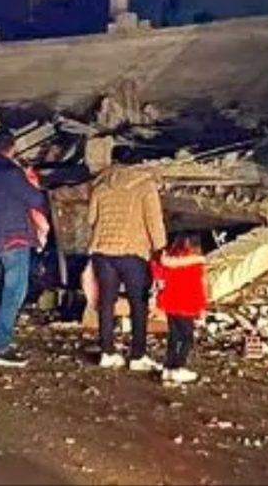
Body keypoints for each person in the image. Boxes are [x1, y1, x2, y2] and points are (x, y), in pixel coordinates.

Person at [88, 148, 167, 372]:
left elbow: (91, 218)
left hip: (103, 252)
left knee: (106, 302)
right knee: (138, 304)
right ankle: (137, 355)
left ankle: (107, 352)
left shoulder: (100, 185)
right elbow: (154, 222)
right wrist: (160, 250)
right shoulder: (145, 186)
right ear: (138, 163)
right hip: (133, 252)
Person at [0, 130, 47, 368]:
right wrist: (30, 181)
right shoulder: (10, 172)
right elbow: (35, 199)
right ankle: (0, 348)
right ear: (13, 147)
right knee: (15, 292)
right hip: (15, 237)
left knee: (4, 290)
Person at [152, 235, 208, 385]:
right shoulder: (197, 262)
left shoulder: (170, 258)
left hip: (170, 303)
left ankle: (168, 367)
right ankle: (178, 367)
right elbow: (200, 287)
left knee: (174, 336)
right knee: (187, 338)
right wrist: (202, 308)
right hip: (186, 305)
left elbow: (158, 269)